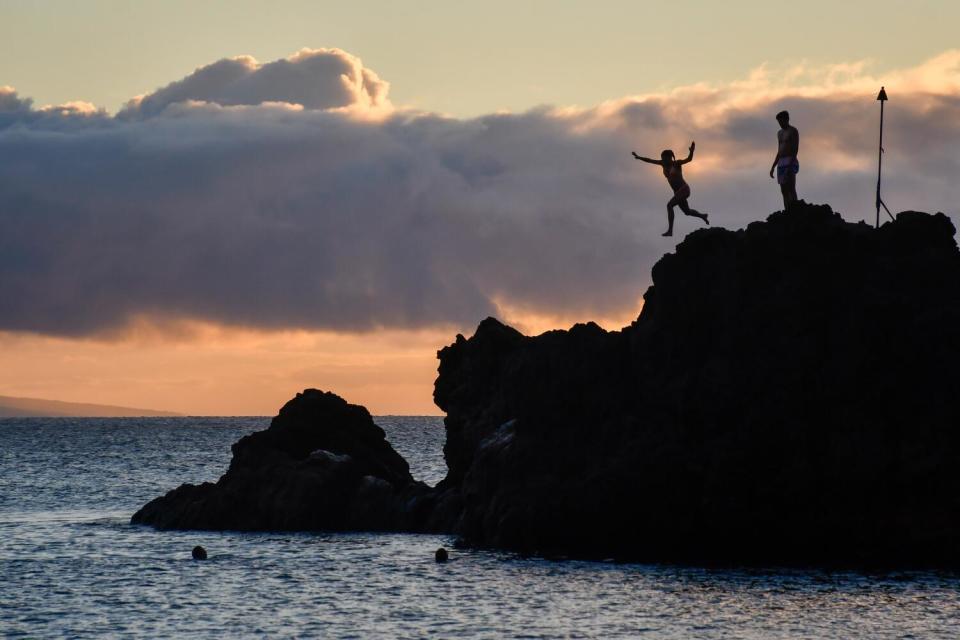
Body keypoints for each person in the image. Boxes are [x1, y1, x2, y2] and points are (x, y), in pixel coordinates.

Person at [632, 142, 709, 237]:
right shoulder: (662, 164)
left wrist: (692, 151)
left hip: (684, 189)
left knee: (669, 205)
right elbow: (649, 160)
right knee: (687, 212)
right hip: (677, 192)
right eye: (662, 158)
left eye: (664, 158)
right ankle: (703, 216)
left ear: (670, 157)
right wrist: (638, 157)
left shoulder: (677, 163)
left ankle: (670, 231)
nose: (663, 160)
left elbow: (688, 159)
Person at [770, 110, 800, 209]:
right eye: (779, 122)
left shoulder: (793, 131)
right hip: (781, 162)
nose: (780, 123)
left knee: (791, 188)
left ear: (787, 119)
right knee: (783, 190)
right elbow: (779, 150)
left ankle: (795, 209)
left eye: (781, 121)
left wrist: (791, 163)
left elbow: (795, 149)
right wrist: (773, 166)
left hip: (790, 160)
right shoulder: (779, 133)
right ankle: (787, 210)